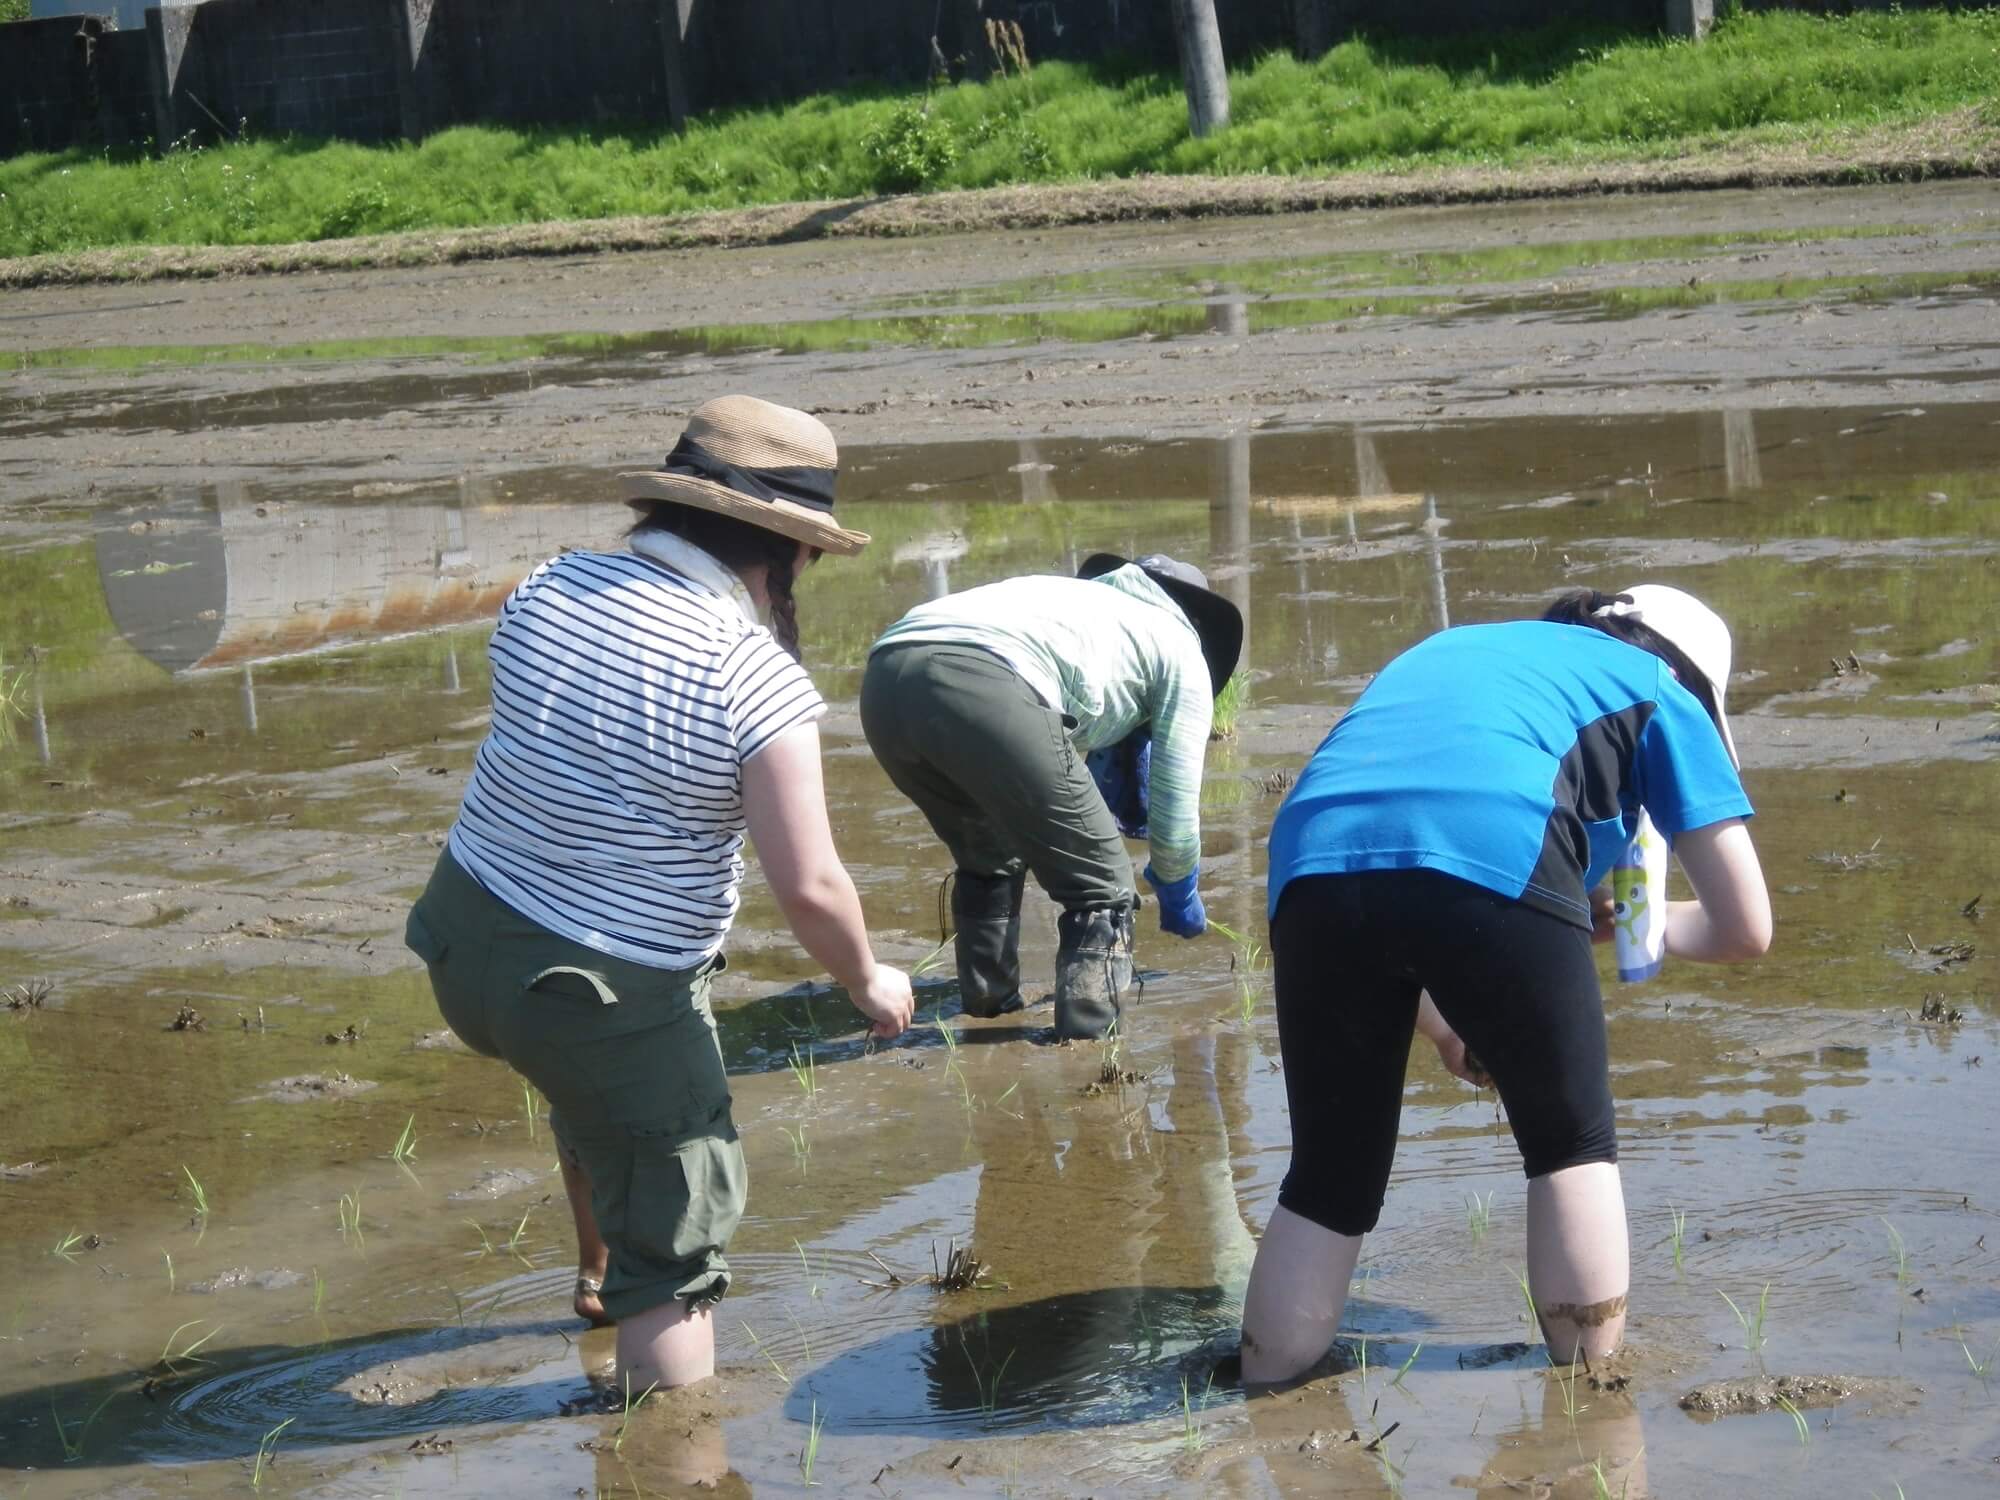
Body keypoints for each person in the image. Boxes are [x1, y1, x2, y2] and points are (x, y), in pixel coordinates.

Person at [403, 396, 915, 1391]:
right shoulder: (751, 676)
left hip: (463, 941)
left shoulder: (549, 585)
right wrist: (864, 977)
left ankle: (596, 1273)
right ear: (790, 550)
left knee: (591, 1102)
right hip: (592, 990)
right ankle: (670, 1447)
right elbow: (808, 885)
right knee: (677, 1238)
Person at [1239, 584, 1772, 1384]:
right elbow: (1744, 929)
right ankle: (1591, 1394)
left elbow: (1397, 870)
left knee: (1329, 1174)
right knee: (1570, 1146)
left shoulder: (1456, 649)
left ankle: (1265, 1387)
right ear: (1695, 677)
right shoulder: (1663, 691)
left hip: (1311, 856)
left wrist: (1454, 1025)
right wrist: (1624, 921)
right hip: (1499, 837)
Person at [859, 553, 1243, 1041]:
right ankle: (1087, 1050)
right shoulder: (1181, 646)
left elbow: (1047, 784)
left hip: (885, 681)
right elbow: (1176, 801)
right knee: (1102, 886)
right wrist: (1177, 887)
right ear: (1195, 620)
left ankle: (988, 1013)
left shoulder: (1079, 609)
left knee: (990, 855)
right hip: (984, 677)